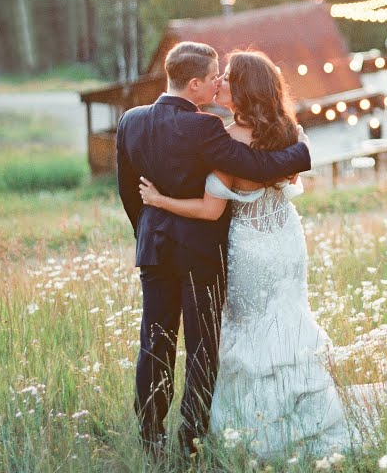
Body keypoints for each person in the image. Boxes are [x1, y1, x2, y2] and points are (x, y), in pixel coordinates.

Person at [139, 50, 387, 459]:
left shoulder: (223, 138)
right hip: (287, 239)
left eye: (226, 78)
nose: (219, 82)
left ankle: (258, 430)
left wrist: (160, 200)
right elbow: (294, 161)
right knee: (289, 320)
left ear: (241, 90)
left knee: (251, 327)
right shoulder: (289, 130)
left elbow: (210, 210)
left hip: (252, 247)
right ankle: (305, 413)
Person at [116, 42, 312, 460]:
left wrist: (148, 232)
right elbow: (258, 168)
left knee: (155, 341)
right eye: (213, 77)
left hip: (154, 248)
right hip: (200, 252)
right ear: (194, 83)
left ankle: (149, 439)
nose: (218, 81)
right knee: (203, 346)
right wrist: (301, 151)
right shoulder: (205, 128)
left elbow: (128, 193)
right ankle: (191, 438)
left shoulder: (130, 121)